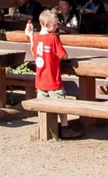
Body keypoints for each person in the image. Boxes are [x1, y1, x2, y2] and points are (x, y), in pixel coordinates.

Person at [25, 10, 82, 139]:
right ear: (47, 25)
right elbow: (63, 55)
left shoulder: (37, 38)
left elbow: (34, 52)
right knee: (61, 105)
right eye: (55, 25)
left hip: (40, 80)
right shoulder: (53, 38)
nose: (57, 27)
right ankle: (65, 128)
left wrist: (31, 36)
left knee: (42, 106)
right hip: (53, 80)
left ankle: (43, 128)